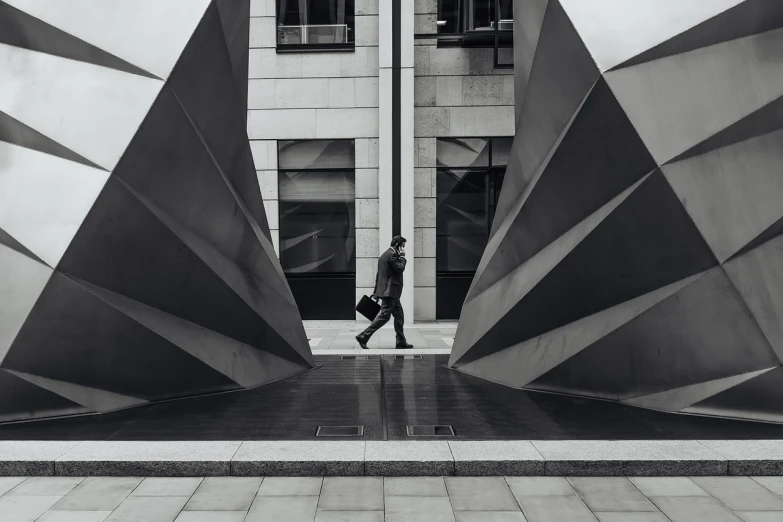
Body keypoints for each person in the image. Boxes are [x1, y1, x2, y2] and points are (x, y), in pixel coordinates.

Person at [356, 235, 413, 349]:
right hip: (390, 292)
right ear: (398, 245)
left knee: (399, 316)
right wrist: (402, 257)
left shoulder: (384, 255)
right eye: (403, 246)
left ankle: (400, 341)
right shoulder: (392, 255)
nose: (403, 249)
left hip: (390, 292)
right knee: (384, 316)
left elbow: (379, 275)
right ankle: (363, 336)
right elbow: (400, 269)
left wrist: (376, 292)